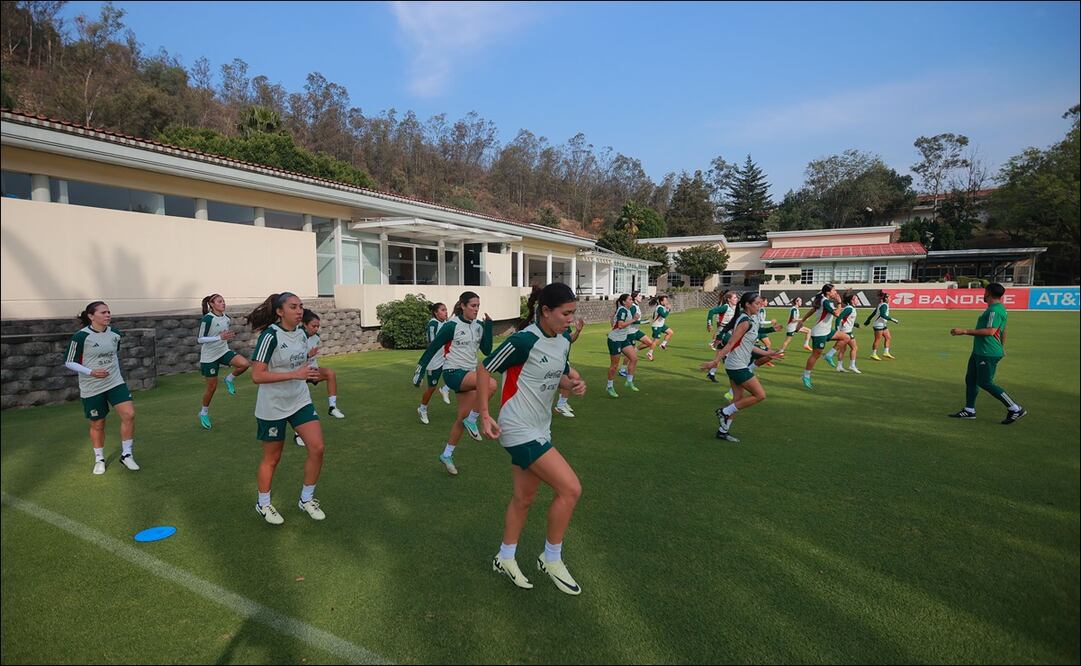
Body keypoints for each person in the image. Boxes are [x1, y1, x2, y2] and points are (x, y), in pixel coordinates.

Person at [478, 283, 587, 595]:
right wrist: (484, 414)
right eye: (565, 313)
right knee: (570, 488)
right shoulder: (524, 340)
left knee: (524, 498)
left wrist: (572, 384)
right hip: (517, 427)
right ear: (546, 311)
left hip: (541, 427)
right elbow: (484, 369)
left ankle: (505, 556)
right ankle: (551, 558)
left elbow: (557, 375)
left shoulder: (563, 341)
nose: (571, 319)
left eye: (573, 313)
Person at [247, 292, 327, 525]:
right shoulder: (270, 336)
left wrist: (309, 373)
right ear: (280, 312)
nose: (299, 310)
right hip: (273, 405)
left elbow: (299, 363)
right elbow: (257, 376)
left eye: (301, 306)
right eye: (293, 307)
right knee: (272, 458)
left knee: (317, 448)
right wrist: (295, 374)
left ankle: (306, 499)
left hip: (299, 399)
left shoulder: (302, 333)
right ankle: (263, 504)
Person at [413, 291, 495, 476]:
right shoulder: (452, 325)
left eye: (478, 306)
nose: (476, 309)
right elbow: (433, 347)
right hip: (453, 373)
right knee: (490, 384)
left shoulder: (479, 325)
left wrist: (489, 326)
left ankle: (447, 454)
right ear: (463, 306)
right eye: (473, 306)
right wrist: (420, 370)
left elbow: (487, 349)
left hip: (468, 374)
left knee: (461, 418)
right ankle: (473, 420)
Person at [65, 301, 140, 475]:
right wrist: (91, 372)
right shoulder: (80, 337)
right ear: (91, 316)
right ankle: (99, 459)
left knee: (129, 414)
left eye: (108, 312)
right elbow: (69, 362)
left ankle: (127, 455)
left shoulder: (115, 333)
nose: (108, 315)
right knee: (98, 424)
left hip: (115, 382)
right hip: (92, 387)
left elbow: (114, 355)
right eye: (103, 312)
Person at [700, 292, 783, 442]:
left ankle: (723, 431)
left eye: (760, 303)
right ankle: (724, 412)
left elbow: (749, 346)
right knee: (760, 395)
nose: (760, 306)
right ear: (747, 305)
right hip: (737, 365)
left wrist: (769, 353)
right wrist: (715, 361)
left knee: (737, 399)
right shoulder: (744, 321)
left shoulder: (749, 319)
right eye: (757, 303)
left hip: (737, 364)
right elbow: (731, 343)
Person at [948, 282, 1027, 424]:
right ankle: (969, 410)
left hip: (987, 352)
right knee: (971, 379)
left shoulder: (994, 311)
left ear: (989, 293)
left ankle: (1015, 408)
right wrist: (1002, 346)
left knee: (985, 382)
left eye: (985, 292)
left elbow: (990, 331)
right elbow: (1003, 330)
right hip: (980, 351)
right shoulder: (997, 309)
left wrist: (964, 331)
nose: (983, 294)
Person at [196, 293, 251, 430]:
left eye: (223, 301)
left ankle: (229, 378)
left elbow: (223, 335)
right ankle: (203, 413)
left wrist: (226, 337)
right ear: (212, 304)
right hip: (209, 357)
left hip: (223, 352)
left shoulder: (226, 318)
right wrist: (219, 338)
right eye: (219, 301)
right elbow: (200, 339)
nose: (223, 303)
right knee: (212, 388)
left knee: (244, 364)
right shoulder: (207, 319)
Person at [293, 309, 345, 447]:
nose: (316, 329)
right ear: (305, 325)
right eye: (313, 326)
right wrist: (307, 356)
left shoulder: (316, 337)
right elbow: (293, 358)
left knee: (330, 373)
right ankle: (298, 434)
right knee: (300, 403)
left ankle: (332, 407)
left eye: (318, 326)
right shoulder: (297, 336)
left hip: (312, 370)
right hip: (299, 373)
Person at [796, 284, 851, 390]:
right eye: (833, 291)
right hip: (819, 333)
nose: (835, 292)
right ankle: (806, 376)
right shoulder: (825, 302)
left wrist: (802, 320)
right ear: (828, 292)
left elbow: (813, 310)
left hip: (827, 331)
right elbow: (837, 314)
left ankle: (829, 355)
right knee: (815, 355)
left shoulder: (824, 300)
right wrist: (839, 302)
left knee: (846, 338)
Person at [417, 302, 452, 425]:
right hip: (434, 361)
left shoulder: (446, 323)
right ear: (436, 313)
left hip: (445, 357)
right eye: (443, 310)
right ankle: (422, 409)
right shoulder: (433, 324)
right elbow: (432, 342)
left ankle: (445, 388)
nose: (446, 312)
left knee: (458, 372)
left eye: (446, 309)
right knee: (432, 388)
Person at [605, 293, 639, 397]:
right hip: (615, 340)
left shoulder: (627, 310)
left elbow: (616, 322)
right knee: (614, 365)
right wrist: (634, 320)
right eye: (630, 299)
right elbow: (620, 325)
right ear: (624, 302)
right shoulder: (622, 310)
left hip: (623, 339)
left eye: (632, 299)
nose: (632, 301)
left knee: (634, 358)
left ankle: (629, 381)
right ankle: (609, 386)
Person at [555, 317, 585, 418]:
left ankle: (562, 403)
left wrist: (578, 331)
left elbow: (570, 339)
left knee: (573, 378)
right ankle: (561, 405)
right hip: (557, 360)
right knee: (574, 377)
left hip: (564, 359)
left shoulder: (565, 325)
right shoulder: (553, 325)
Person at [830, 291, 862, 374]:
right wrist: (837, 330)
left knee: (843, 349)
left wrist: (855, 324)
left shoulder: (850, 308)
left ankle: (839, 366)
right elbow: (838, 318)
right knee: (854, 348)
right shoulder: (849, 308)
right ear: (852, 300)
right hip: (846, 332)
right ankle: (852, 366)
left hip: (845, 331)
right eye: (856, 299)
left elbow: (846, 320)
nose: (858, 300)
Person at [865, 290, 900, 360]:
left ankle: (886, 352)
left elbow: (873, 313)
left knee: (888, 337)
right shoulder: (884, 305)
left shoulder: (881, 305)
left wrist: (868, 320)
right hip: (879, 325)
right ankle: (873, 354)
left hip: (883, 324)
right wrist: (893, 319)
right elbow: (882, 315)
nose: (890, 299)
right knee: (877, 339)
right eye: (889, 297)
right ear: (886, 298)